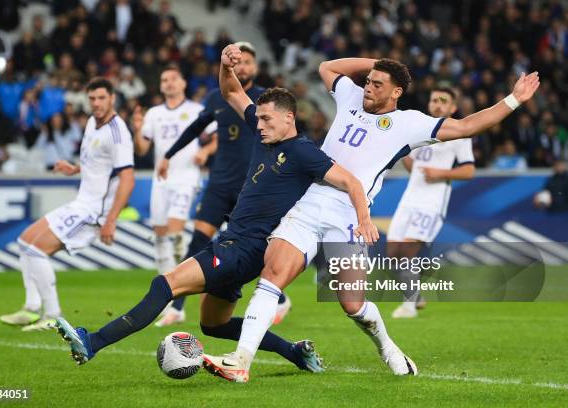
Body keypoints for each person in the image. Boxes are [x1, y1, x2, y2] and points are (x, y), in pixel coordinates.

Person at [203, 56, 539, 382]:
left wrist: (514, 99)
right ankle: (241, 361)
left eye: (377, 84)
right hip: (309, 202)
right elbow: (326, 67)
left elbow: (467, 125)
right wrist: (375, 62)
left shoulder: (410, 123)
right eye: (367, 81)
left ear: (396, 92)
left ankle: (387, 347)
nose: (367, 87)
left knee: (352, 304)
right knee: (272, 275)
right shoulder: (349, 94)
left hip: (350, 212)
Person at [53, 44, 376, 378]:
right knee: (214, 324)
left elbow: (351, 182)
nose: (259, 124)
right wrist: (225, 64)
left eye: (266, 119)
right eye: (258, 118)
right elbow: (231, 89)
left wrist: (363, 221)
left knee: (164, 285)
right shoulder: (264, 135)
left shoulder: (305, 152)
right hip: (236, 245)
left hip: (244, 248)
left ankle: (92, 342)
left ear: (288, 117)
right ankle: (295, 353)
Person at [157, 42, 292, 326]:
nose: (242, 67)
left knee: (262, 248)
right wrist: (169, 154)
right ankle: (178, 307)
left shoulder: (264, 101)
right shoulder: (218, 98)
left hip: (251, 187)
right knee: (198, 241)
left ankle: (279, 297)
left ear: (255, 67)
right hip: (219, 183)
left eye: (248, 63)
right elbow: (196, 127)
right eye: (238, 62)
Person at [0, 78, 135, 331]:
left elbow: (128, 178)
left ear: (113, 98)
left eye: (101, 98)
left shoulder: (118, 133)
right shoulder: (93, 124)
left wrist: (111, 220)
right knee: (24, 241)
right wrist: (74, 169)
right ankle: (31, 308)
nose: (96, 103)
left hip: (94, 212)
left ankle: (52, 315)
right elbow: (98, 163)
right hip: (81, 202)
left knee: (37, 250)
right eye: (92, 98)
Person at [131, 66, 216, 327]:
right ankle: (168, 299)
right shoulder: (154, 114)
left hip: (186, 178)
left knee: (175, 233)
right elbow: (142, 148)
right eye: (163, 80)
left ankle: (178, 296)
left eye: (172, 79)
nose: (167, 83)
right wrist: (136, 129)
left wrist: (206, 152)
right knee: (160, 237)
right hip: (161, 180)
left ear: (183, 83)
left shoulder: (195, 109)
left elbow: (217, 136)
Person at [386, 87, 475, 319]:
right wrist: (403, 152)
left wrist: (440, 172)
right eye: (433, 99)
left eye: (443, 100)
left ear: (452, 108)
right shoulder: (421, 132)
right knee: (392, 253)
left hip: (431, 203)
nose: (437, 104)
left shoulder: (459, 134)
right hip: (409, 199)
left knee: (406, 251)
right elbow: (413, 166)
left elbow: (468, 171)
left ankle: (408, 306)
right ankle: (416, 297)